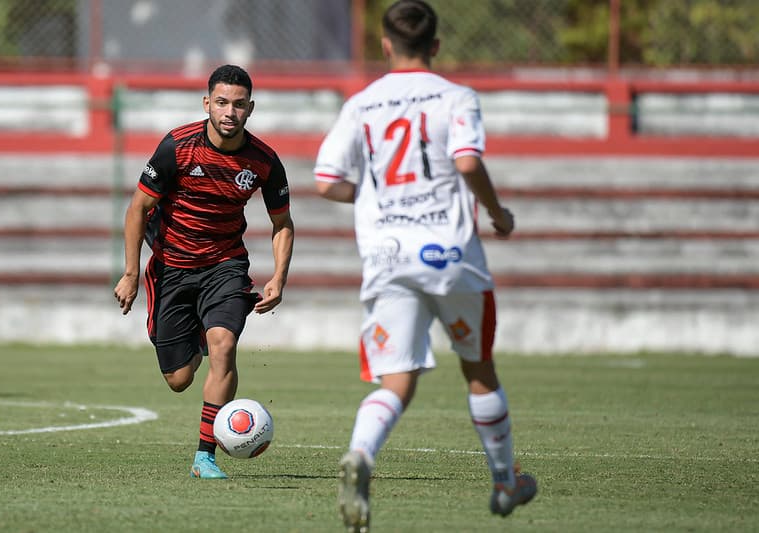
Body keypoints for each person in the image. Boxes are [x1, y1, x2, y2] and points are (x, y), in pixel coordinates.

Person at [313, 1, 536, 529]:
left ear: (386, 45)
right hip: (452, 255)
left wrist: (375, 196)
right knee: (478, 369)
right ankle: (504, 482)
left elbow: (326, 181)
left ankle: (361, 455)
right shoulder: (456, 96)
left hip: (388, 257)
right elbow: (467, 160)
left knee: (396, 382)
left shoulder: (361, 105)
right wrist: (497, 212)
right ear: (435, 45)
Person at [114, 64, 294, 479]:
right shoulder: (177, 146)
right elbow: (138, 208)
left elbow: (282, 223)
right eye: (222, 103)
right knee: (178, 379)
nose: (230, 112)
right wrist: (130, 273)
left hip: (225, 266)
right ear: (207, 103)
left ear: (251, 108)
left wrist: (279, 278)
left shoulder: (264, 161)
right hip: (172, 268)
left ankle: (204, 456)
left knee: (224, 346)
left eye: (239, 104)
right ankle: (196, 335)